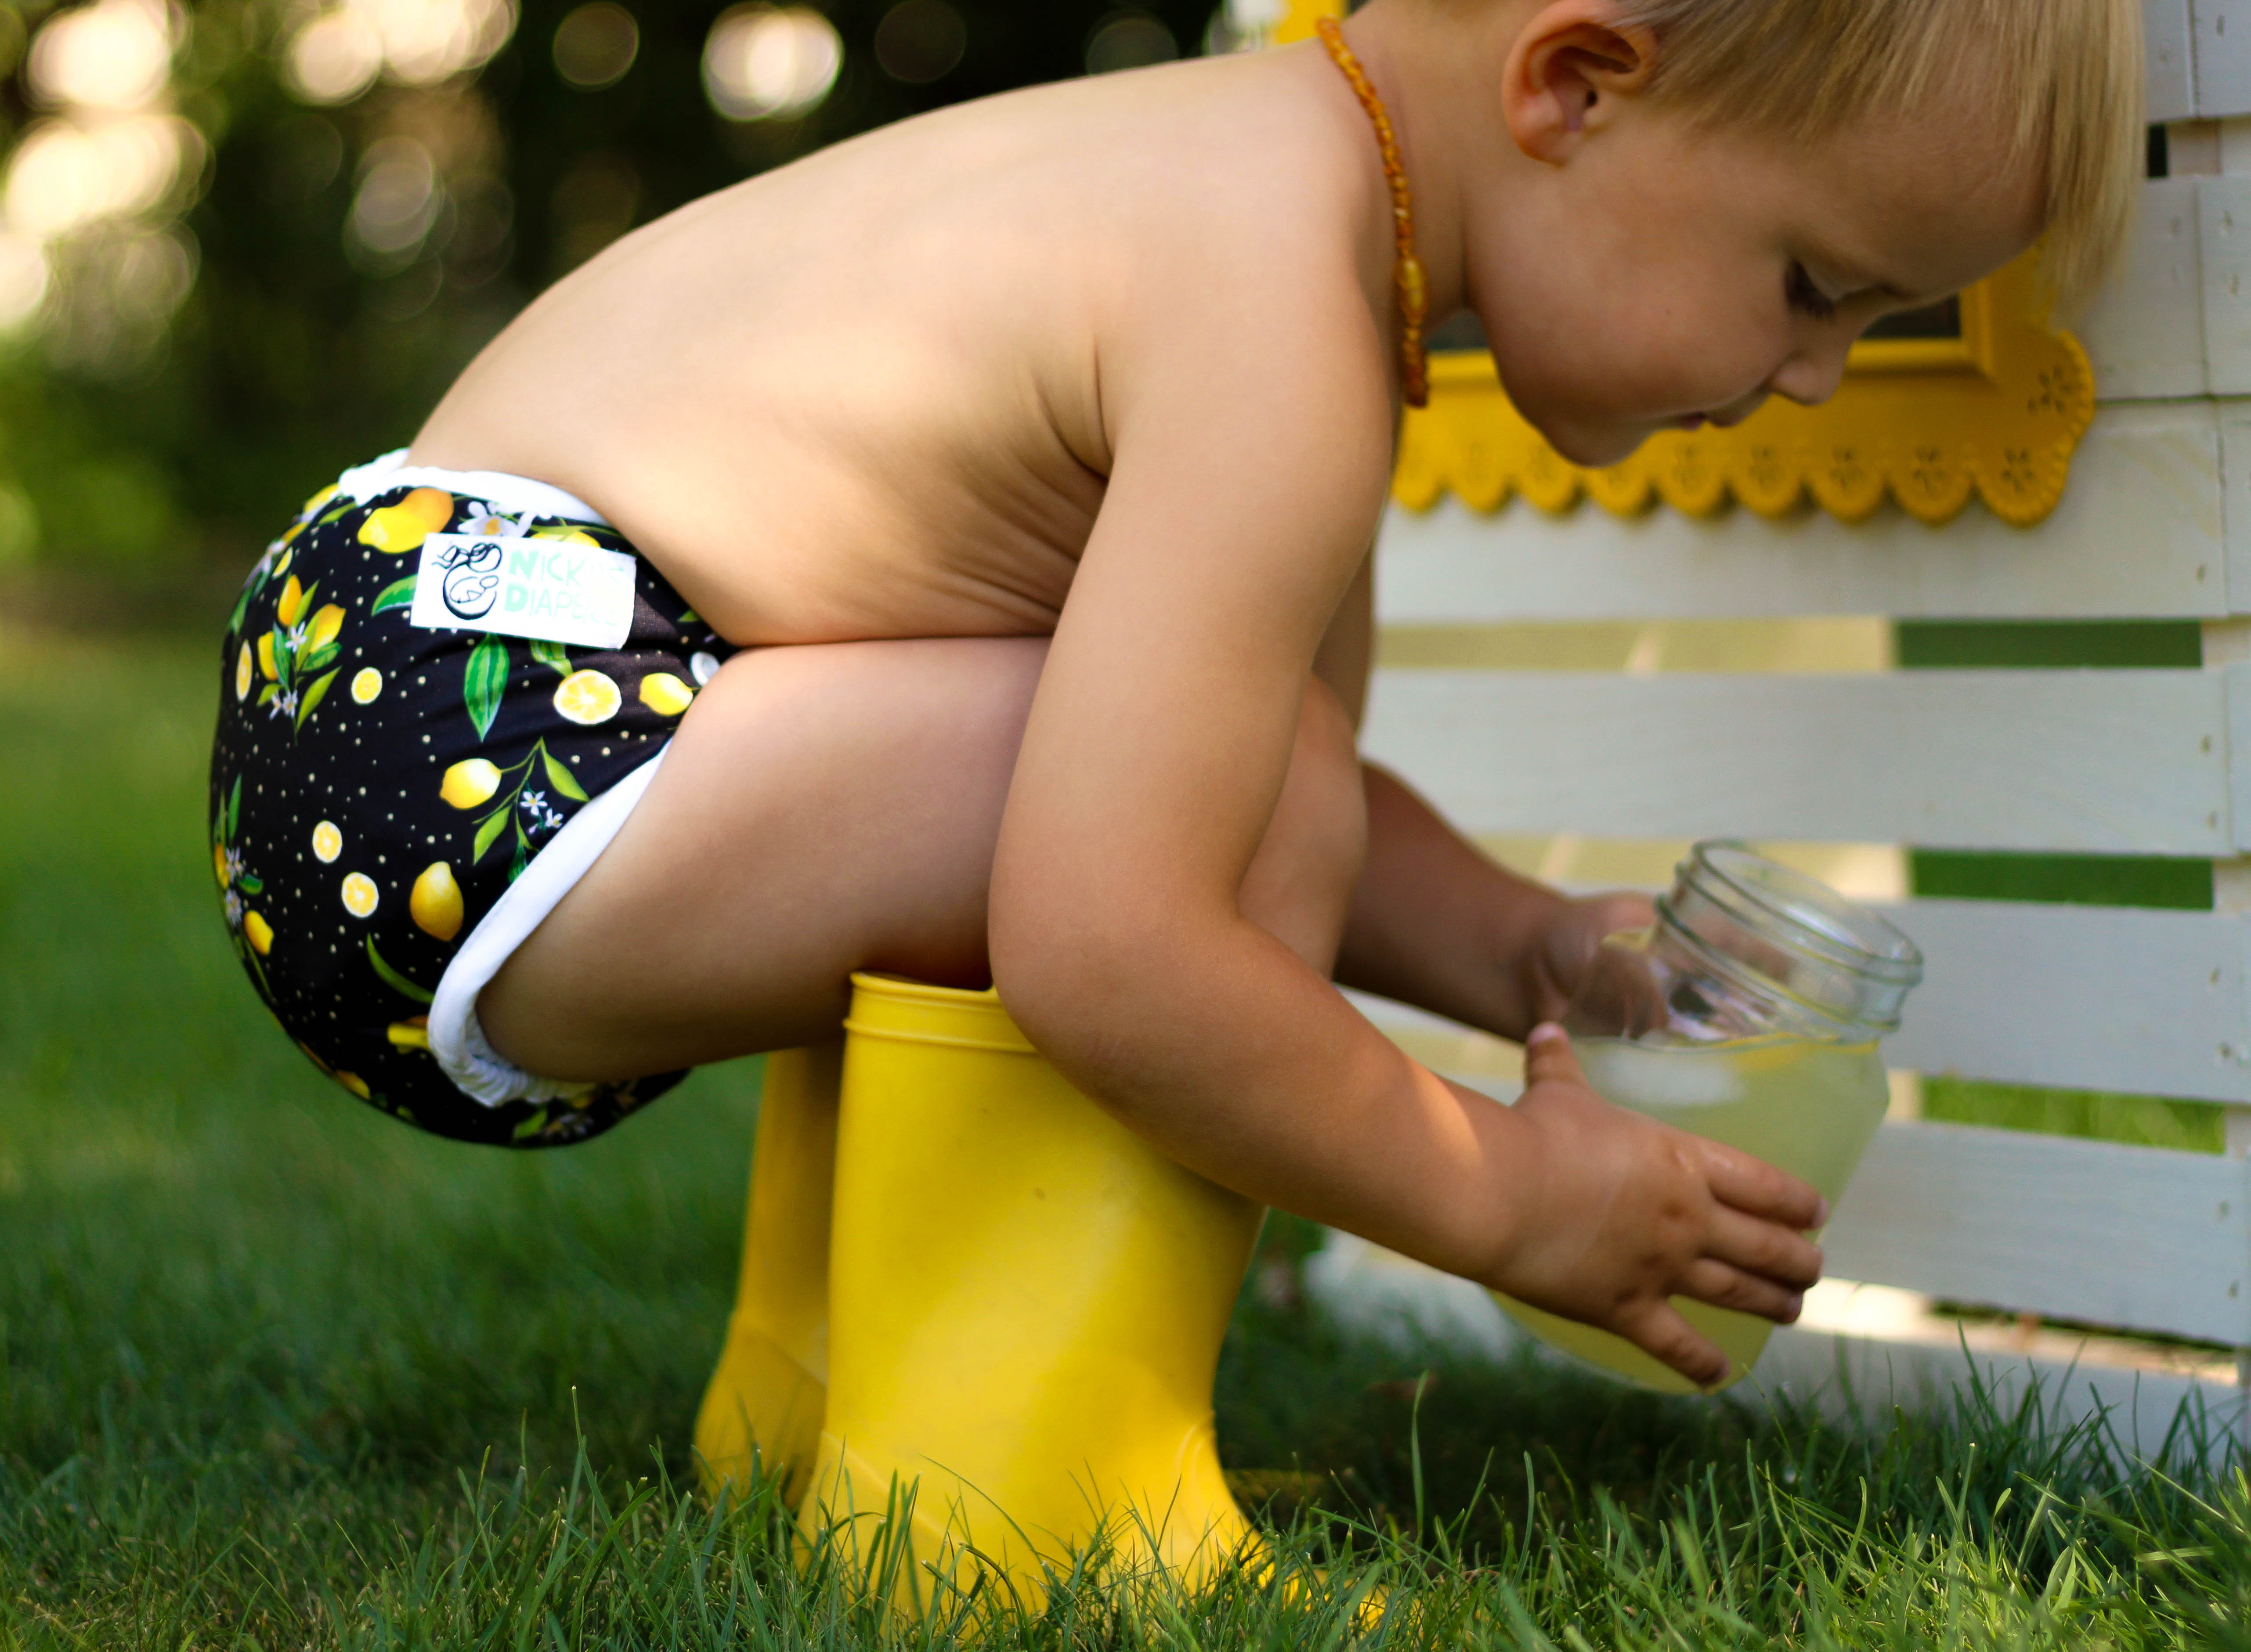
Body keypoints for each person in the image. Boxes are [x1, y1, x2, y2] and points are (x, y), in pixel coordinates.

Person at [209, 0, 2142, 1387]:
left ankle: (804, 1390)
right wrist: (1499, 1200)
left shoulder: (1262, 184)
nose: (1810, 377)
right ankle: (1035, 1454)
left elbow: (1225, 768)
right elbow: (1117, 938)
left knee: (1216, 781)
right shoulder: (1281, 313)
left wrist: (1529, 952)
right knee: (1196, 854)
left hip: (411, 686)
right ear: (1573, 81)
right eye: (1815, 284)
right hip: (478, 726)